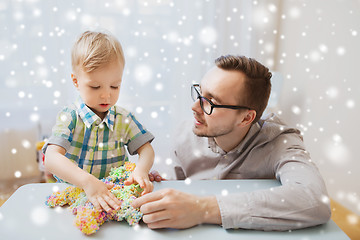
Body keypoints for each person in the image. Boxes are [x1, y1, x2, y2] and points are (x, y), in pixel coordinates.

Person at [134, 55, 331, 231]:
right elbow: (180, 191)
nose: (194, 107)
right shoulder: (186, 134)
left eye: (210, 102)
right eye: (200, 93)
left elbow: (314, 200)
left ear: (246, 118)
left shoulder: (281, 141)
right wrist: (163, 187)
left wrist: (202, 209)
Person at [43, 31, 155, 213]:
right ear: (76, 81)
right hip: (75, 195)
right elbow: (51, 157)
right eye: (95, 86)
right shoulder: (69, 116)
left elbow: (147, 150)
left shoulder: (124, 118)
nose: (106, 95)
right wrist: (88, 182)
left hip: (113, 198)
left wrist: (141, 170)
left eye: (115, 86)